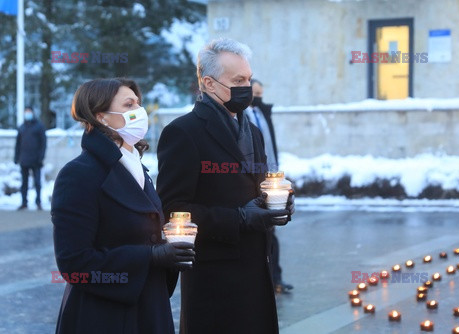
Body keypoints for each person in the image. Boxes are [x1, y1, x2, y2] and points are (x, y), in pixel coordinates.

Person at [156, 38, 295, 334]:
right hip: (214, 278)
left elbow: (257, 188)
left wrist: (277, 204)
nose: (247, 86)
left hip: (258, 269)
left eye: (248, 78)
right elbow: (172, 210)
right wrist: (239, 218)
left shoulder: (253, 130)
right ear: (208, 83)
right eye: (238, 80)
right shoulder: (183, 132)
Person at [51, 78, 195, 333]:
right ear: (101, 117)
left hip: (149, 309)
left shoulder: (137, 167)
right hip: (103, 317)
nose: (139, 112)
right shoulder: (78, 174)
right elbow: (74, 263)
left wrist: (170, 245)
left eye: (138, 104)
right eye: (129, 105)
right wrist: (150, 256)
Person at [245, 79, 294, 294]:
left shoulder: (262, 114)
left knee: (272, 232)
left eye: (261, 93)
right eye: (255, 92)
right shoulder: (242, 117)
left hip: (270, 177)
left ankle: (276, 277)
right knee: (267, 233)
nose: (259, 97)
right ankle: (270, 278)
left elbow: (270, 146)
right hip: (256, 179)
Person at [14, 106, 46, 210]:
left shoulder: (39, 126)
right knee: (24, 183)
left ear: (32, 113)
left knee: (37, 182)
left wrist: (41, 157)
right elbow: (18, 144)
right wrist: (16, 157)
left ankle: (38, 202)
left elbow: (43, 143)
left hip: (36, 159)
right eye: (26, 112)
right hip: (24, 159)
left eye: (29, 112)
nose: (27, 114)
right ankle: (24, 202)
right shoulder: (22, 127)